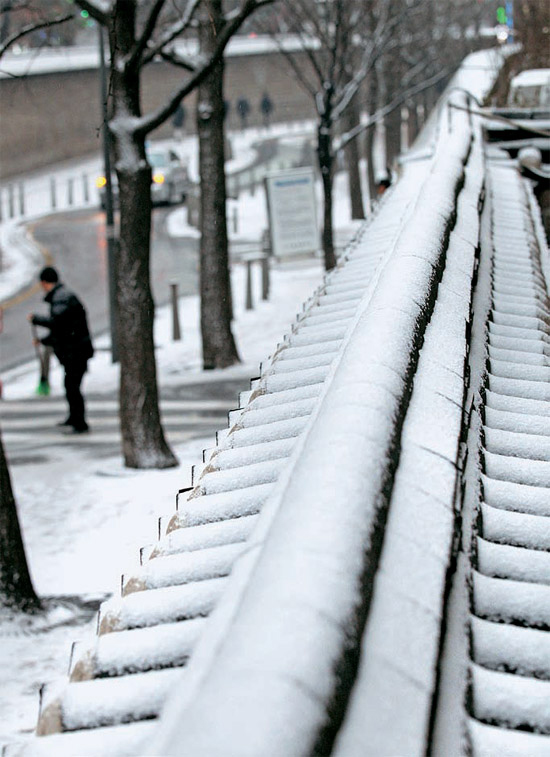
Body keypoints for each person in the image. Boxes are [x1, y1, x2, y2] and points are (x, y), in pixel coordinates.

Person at [29, 267, 94, 434]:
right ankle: (75, 417)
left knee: (72, 386)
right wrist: (44, 340)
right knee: (71, 385)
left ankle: (79, 422)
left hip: (75, 351)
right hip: (75, 350)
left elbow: (58, 324)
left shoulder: (61, 299)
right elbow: (63, 329)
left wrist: (37, 320)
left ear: (45, 282)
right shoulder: (63, 296)